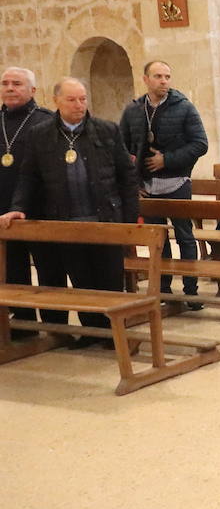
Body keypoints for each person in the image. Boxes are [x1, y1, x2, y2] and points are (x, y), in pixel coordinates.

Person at [1, 78, 140, 332]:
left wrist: (128, 221)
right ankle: (91, 332)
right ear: (56, 101)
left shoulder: (107, 129)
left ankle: (114, 335)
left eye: (83, 99)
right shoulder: (40, 134)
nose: (79, 105)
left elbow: (127, 177)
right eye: (72, 99)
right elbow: (28, 176)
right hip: (67, 222)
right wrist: (18, 205)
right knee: (82, 282)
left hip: (105, 220)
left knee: (109, 282)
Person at [118, 61, 209, 306]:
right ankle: (164, 289)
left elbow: (200, 144)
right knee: (157, 239)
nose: (164, 81)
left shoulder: (185, 108)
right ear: (146, 79)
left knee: (185, 237)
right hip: (146, 186)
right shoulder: (133, 110)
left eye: (167, 76)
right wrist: (133, 180)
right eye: (158, 76)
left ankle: (191, 291)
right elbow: (122, 148)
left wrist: (166, 160)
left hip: (176, 182)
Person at [0, 66, 61, 324]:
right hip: (4, 211)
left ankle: (56, 324)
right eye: (5, 83)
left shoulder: (46, 121)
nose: (10, 88)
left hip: (40, 210)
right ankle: (23, 324)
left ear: (33, 90)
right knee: (13, 270)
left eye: (17, 83)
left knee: (49, 270)